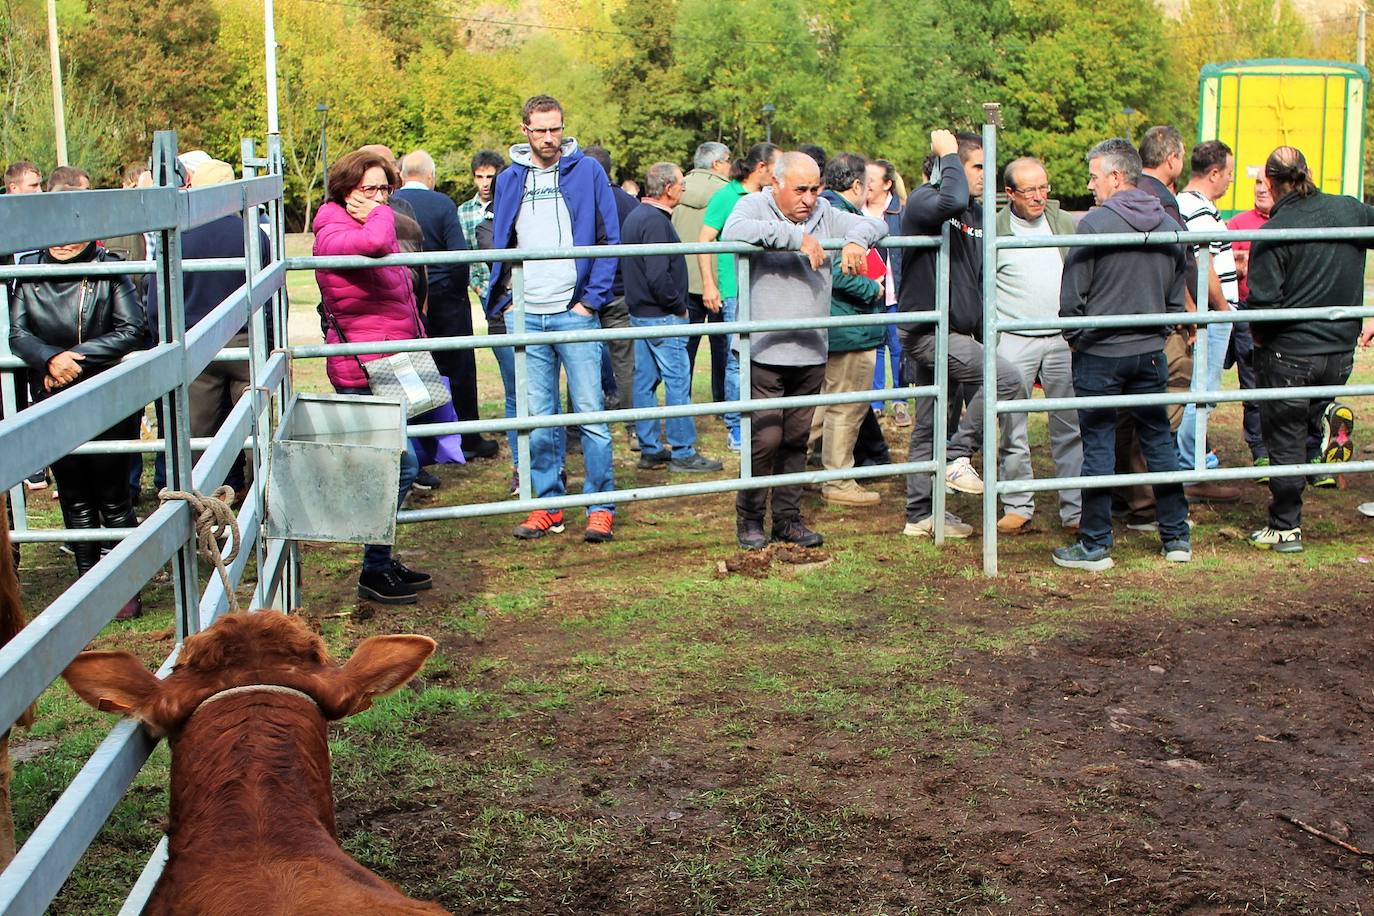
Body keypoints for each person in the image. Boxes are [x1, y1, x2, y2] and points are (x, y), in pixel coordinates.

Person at [721, 151, 887, 550]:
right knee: (765, 439)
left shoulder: (826, 211)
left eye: (815, 189)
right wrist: (797, 239)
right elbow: (733, 231)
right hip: (764, 346)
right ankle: (749, 518)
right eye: (800, 190)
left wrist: (852, 240)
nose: (809, 199)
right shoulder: (753, 204)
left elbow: (873, 224)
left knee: (797, 439)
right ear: (775, 183)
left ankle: (788, 518)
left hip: (811, 347)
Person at [486, 94, 620, 543]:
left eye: (555, 128)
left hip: (574, 312)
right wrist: (504, 298)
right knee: (539, 418)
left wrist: (590, 301)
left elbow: (608, 235)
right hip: (527, 314)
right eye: (540, 129)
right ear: (524, 129)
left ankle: (600, 506)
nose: (548, 138)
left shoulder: (589, 171)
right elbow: (501, 240)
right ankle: (547, 504)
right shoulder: (510, 179)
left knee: (591, 415)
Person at [1054, 138, 1190, 571]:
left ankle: (1095, 543)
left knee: (1098, 442)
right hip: (1149, 351)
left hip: (1099, 352)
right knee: (1158, 440)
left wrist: (1077, 337)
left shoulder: (1094, 226)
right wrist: (1157, 332)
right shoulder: (1169, 225)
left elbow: (1073, 295)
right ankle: (1176, 536)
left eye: (1094, 176)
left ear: (1116, 177)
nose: (1090, 185)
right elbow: (1175, 297)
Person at [312, 149, 432, 603]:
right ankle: (373, 569)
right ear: (345, 191)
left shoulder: (369, 220)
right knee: (397, 469)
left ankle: (380, 560)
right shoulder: (332, 228)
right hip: (365, 365)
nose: (381, 198)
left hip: (395, 358)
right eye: (370, 189)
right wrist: (381, 214)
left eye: (386, 188)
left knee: (402, 463)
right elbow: (373, 247)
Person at [1244, 146, 1374, 553]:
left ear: (1269, 182)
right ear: (1308, 173)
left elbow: (1263, 304)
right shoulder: (1350, 211)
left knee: (1282, 434)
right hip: (1340, 352)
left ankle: (1286, 526)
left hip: (1290, 353)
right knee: (1308, 415)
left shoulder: (1272, 235)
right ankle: (1322, 428)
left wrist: (1261, 342)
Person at [9, 237, 146, 619]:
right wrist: (49, 359)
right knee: (74, 495)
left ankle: (122, 590)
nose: (65, 242)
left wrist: (71, 362)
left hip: (104, 396)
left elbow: (134, 329)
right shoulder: (29, 272)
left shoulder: (109, 270)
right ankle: (86, 586)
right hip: (53, 395)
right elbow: (17, 334)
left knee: (114, 494)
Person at [898, 130, 1026, 539]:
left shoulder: (974, 214)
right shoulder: (925, 201)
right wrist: (948, 153)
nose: (986, 175)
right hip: (930, 333)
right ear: (950, 167)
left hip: (960, 333)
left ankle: (921, 515)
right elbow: (949, 199)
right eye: (978, 166)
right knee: (1006, 379)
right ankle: (956, 456)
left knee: (933, 421)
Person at [146, 159, 271, 504]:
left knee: (193, 436)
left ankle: (195, 505)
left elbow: (157, 296)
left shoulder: (177, 237)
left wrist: (164, 339)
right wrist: (271, 341)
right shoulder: (252, 235)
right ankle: (255, 502)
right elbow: (272, 293)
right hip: (246, 342)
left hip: (194, 343)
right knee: (252, 426)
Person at [993, 156, 1082, 534]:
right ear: (1009, 193)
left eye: (1044, 187)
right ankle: (1017, 504)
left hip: (1062, 339)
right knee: (1011, 425)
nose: (1039, 196)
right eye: (1029, 190)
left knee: (1072, 424)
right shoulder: (993, 229)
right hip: (1014, 339)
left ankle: (1076, 508)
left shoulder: (1063, 223)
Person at [393, 150, 498, 468]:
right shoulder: (442, 204)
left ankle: (423, 440)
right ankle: (467, 437)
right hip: (445, 298)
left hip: (407, 297)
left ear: (401, 175)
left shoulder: (391, 204)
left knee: (417, 371)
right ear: (430, 176)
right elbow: (458, 255)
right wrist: (456, 293)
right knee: (459, 367)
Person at [621, 162, 723, 474]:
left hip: (642, 314)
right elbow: (657, 274)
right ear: (668, 189)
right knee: (678, 381)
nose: (684, 189)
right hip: (662, 316)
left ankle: (651, 448)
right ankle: (683, 451)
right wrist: (678, 305)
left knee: (646, 381)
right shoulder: (654, 221)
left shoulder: (637, 215)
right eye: (681, 184)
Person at [809, 151, 886, 506]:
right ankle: (837, 479)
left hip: (835, 325)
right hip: (848, 326)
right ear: (857, 185)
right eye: (867, 186)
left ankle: (796, 471)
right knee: (846, 405)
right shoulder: (839, 217)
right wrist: (874, 289)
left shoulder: (822, 210)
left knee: (823, 406)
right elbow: (838, 272)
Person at [698, 142, 781, 452]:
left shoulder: (771, 198)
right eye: (778, 166)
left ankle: (760, 422)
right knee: (736, 360)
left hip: (766, 288)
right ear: (761, 168)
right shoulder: (726, 196)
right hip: (735, 290)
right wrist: (710, 284)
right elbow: (704, 239)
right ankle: (735, 427)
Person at [1175, 140, 1240, 478]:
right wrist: (1223, 306)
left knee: (1198, 391)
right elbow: (1202, 263)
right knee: (1202, 393)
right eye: (1229, 174)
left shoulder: (1187, 205)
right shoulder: (1197, 208)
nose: (1231, 181)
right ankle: (1190, 464)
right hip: (1210, 317)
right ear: (1214, 173)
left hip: (1207, 314)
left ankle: (1191, 458)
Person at [582, 145, 639, 439]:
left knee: (581, 361)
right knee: (626, 363)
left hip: (588, 293)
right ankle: (635, 428)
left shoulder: (580, 199)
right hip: (620, 292)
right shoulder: (628, 203)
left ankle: (579, 431)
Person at [672, 141, 732, 402]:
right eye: (729, 160)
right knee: (723, 348)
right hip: (717, 280)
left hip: (683, 280)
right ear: (717, 163)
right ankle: (722, 401)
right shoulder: (729, 193)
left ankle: (681, 401)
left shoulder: (677, 186)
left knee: (685, 347)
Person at [1227, 175, 1274, 469]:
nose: (1260, 189)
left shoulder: (1289, 221)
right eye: (1257, 182)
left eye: (1267, 184)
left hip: (1282, 311)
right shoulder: (1238, 223)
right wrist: (1239, 264)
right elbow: (1221, 263)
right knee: (1252, 380)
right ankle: (1259, 448)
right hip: (1247, 310)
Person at [864, 158, 907, 426]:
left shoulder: (901, 210)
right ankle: (876, 402)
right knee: (874, 347)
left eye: (872, 180)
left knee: (899, 347)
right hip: (869, 293)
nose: (866, 184)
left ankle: (900, 401)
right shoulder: (857, 210)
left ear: (887, 184)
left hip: (896, 291)